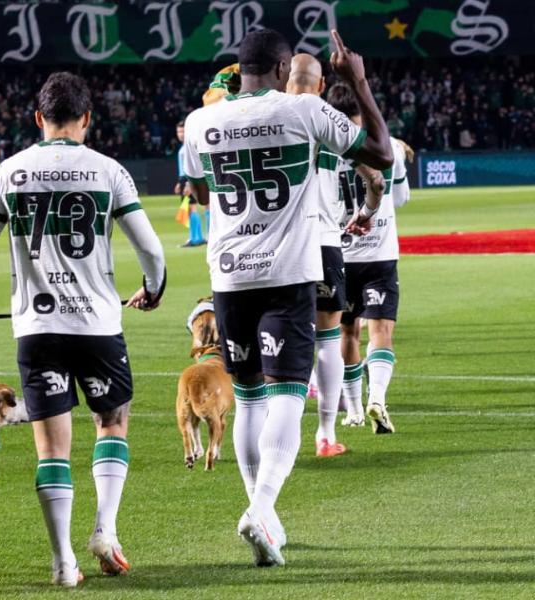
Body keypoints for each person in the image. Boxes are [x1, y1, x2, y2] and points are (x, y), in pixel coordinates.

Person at [0, 72, 166, 587]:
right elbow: (150, 247)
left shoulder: (8, 173)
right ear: (86, 119)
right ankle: (105, 529)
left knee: (50, 448)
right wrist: (154, 287)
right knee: (112, 422)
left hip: (38, 328)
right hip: (97, 323)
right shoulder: (110, 171)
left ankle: (63, 562)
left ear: (39, 119)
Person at [184, 29, 392, 567]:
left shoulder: (201, 122)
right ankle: (262, 508)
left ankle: (265, 520)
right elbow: (382, 154)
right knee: (287, 397)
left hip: (229, 277)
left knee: (249, 398)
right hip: (288, 274)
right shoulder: (302, 111)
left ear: (238, 68)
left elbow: (203, 190)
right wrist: (359, 82)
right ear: (282, 69)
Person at [286, 54, 385, 457]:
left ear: (284, 78)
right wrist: (367, 213)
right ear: (321, 84)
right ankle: (325, 435)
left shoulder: (266, 114)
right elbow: (376, 176)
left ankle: (277, 435)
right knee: (328, 340)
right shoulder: (325, 119)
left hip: (276, 248)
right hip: (325, 241)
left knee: (283, 342)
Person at [326, 83, 412, 434]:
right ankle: (377, 396)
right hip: (380, 253)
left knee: (346, 332)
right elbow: (402, 198)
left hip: (338, 254)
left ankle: (355, 410)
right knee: (381, 331)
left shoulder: (324, 149)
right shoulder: (389, 147)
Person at [175, 121, 205, 247]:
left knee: (191, 207)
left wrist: (187, 183)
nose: (180, 134)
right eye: (178, 132)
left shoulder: (187, 146)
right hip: (184, 178)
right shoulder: (185, 147)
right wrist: (179, 182)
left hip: (187, 179)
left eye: (182, 131)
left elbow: (190, 166)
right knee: (191, 208)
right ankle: (198, 237)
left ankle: (195, 238)